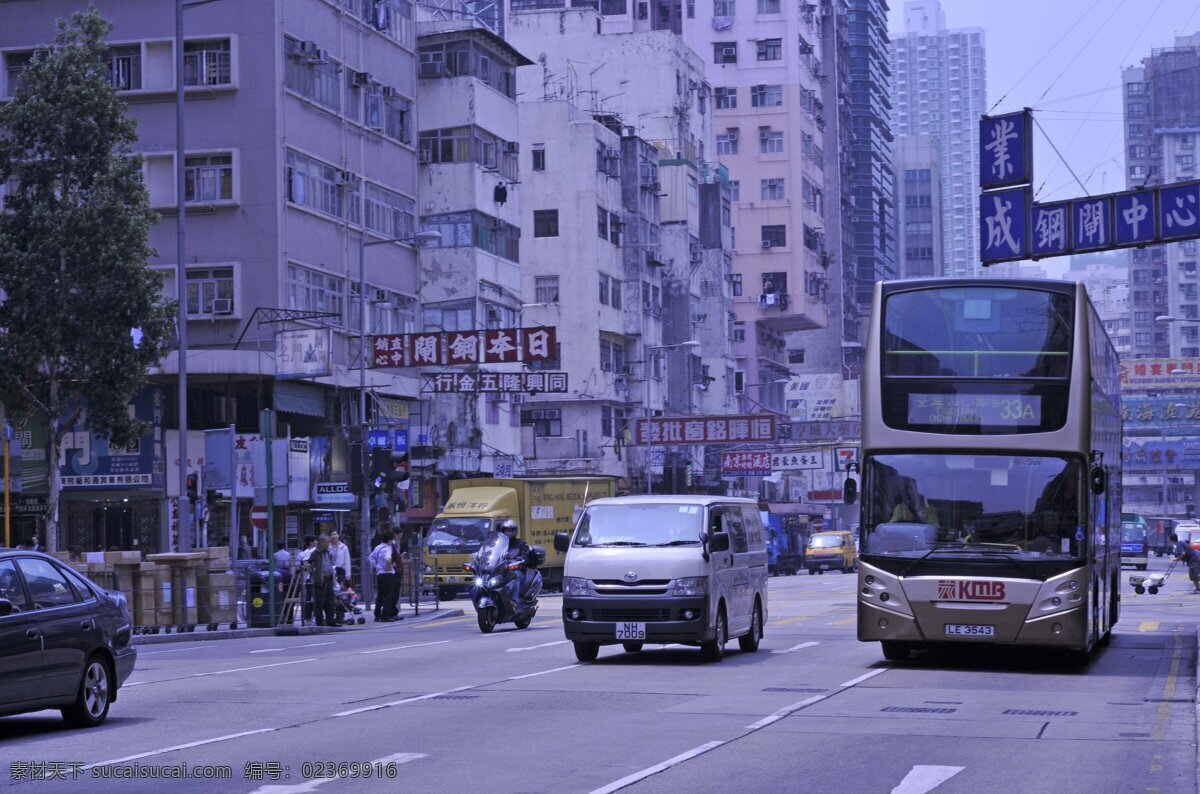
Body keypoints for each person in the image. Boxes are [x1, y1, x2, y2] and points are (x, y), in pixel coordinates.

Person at [499, 519, 537, 602]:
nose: (507, 533)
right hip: (501, 571)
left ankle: (514, 601)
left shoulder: (521, 543)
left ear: (515, 531)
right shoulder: (499, 544)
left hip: (516, 570)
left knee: (514, 578)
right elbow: (491, 553)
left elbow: (525, 556)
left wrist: (521, 559)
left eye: (509, 530)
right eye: (505, 530)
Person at [306, 534, 338, 626]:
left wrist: (333, 579)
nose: (329, 544)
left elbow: (331, 565)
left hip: (328, 579)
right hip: (320, 580)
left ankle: (331, 621)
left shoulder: (328, 552)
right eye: (327, 542)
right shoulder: (315, 553)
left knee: (330, 602)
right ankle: (319, 622)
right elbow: (307, 563)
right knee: (319, 603)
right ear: (321, 542)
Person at [369, 531, 398, 621]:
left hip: (379, 574)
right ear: (389, 540)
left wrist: (377, 566)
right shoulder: (387, 548)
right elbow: (388, 558)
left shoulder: (378, 547)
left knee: (380, 595)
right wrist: (389, 567)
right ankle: (385, 615)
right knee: (388, 596)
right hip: (387, 575)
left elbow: (370, 557)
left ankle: (377, 614)